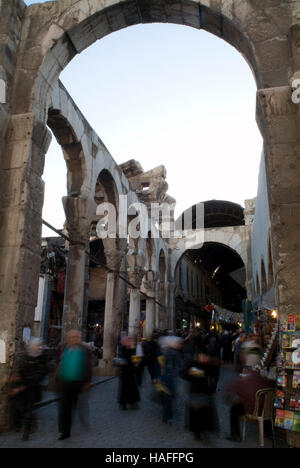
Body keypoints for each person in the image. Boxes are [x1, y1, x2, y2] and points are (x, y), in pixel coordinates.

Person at [9, 338, 50, 441]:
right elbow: (22, 370)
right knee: (18, 406)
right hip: (24, 388)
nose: (39, 347)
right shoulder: (26, 356)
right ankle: (21, 424)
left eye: (39, 345)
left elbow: (40, 375)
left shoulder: (41, 358)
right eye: (37, 345)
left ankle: (26, 433)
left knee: (28, 409)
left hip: (33, 389)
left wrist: (24, 385)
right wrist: (17, 377)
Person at [56, 329, 92, 440]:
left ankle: (71, 426)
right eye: (72, 337)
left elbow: (88, 367)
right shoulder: (62, 348)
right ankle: (65, 431)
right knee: (64, 406)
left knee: (72, 406)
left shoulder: (84, 350)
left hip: (77, 382)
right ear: (67, 338)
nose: (74, 339)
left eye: (76, 337)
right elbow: (57, 362)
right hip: (64, 381)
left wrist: (87, 382)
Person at [224, 367, 275, 442]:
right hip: (267, 410)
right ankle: (268, 432)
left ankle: (235, 435)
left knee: (234, 409)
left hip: (252, 410)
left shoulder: (244, 382)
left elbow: (234, 396)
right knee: (263, 404)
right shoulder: (265, 380)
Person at [181, 346, 219, 442]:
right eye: (201, 356)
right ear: (198, 356)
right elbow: (183, 374)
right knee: (196, 415)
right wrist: (189, 373)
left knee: (206, 414)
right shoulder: (192, 364)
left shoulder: (209, 365)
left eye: (205, 356)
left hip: (206, 393)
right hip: (195, 393)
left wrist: (212, 363)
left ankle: (205, 431)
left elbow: (215, 374)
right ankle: (197, 432)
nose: (203, 357)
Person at [157, 335, 183, 424]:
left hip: (166, 377)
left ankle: (167, 415)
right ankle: (167, 416)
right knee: (168, 397)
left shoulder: (168, 352)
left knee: (167, 397)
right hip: (170, 378)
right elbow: (178, 366)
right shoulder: (173, 353)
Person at [117, 336, 140, 410]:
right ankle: (123, 403)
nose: (130, 342)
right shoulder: (122, 349)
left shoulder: (131, 348)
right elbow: (124, 358)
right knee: (125, 388)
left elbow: (134, 357)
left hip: (131, 371)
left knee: (132, 387)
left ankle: (132, 402)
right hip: (124, 371)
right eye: (128, 341)